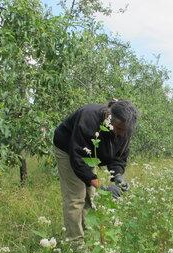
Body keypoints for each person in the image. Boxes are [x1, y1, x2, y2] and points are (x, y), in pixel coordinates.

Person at [53, 99, 138, 241]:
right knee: (76, 197)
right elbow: (78, 158)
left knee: (89, 196)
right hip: (68, 149)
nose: (121, 134)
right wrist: (101, 186)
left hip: (90, 153)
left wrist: (118, 176)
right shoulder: (89, 118)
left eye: (124, 131)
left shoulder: (125, 129)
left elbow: (119, 156)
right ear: (108, 117)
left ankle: (87, 232)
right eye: (118, 129)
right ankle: (75, 242)